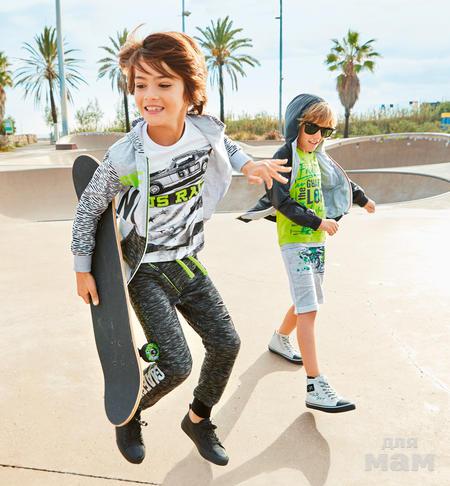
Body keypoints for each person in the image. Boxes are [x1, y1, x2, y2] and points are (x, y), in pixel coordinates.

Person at [71, 31, 291, 466]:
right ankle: (130, 411)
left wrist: (249, 164)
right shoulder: (126, 155)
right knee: (175, 364)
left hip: (186, 262)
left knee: (227, 344)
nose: (149, 95)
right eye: (141, 85)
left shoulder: (202, 131)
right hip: (145, 271)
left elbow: (227, 145)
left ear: (190, 92)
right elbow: (88, 208)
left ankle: (198, 419)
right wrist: (82, 267)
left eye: (164, 84)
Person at [239, 94, 376, 413]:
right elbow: (282, 201)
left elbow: (341, 181)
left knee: (306, 300)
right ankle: (315, 384)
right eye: (312, 128)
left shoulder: (317, 156)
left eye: (325, 131)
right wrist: (319, 221)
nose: (317, 136)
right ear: (296, 125)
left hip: (316, 241)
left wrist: (362, 199)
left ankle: (279, 338)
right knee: (310, 309)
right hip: (295, 240)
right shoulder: (284, 157)